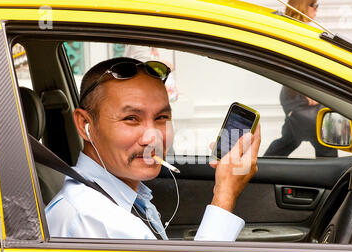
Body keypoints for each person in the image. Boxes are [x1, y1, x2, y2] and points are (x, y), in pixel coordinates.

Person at [45, 57, 261, 241]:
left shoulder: (126, 196)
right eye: (131, 119)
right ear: (85, 125)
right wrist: (224, 194)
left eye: (161, 118)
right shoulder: (94, 220)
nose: (153, 137)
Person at [263, 0, 337, 158]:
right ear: (302, 5)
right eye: (314, 5)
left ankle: (262, 171)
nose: (317, 9)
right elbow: (287, 65)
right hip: (298, 95)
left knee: (290, 139)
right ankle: (331, 179)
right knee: (325, 143)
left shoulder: (300, 28)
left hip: (300, 93)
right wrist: (307, 91)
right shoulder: (292, 29)